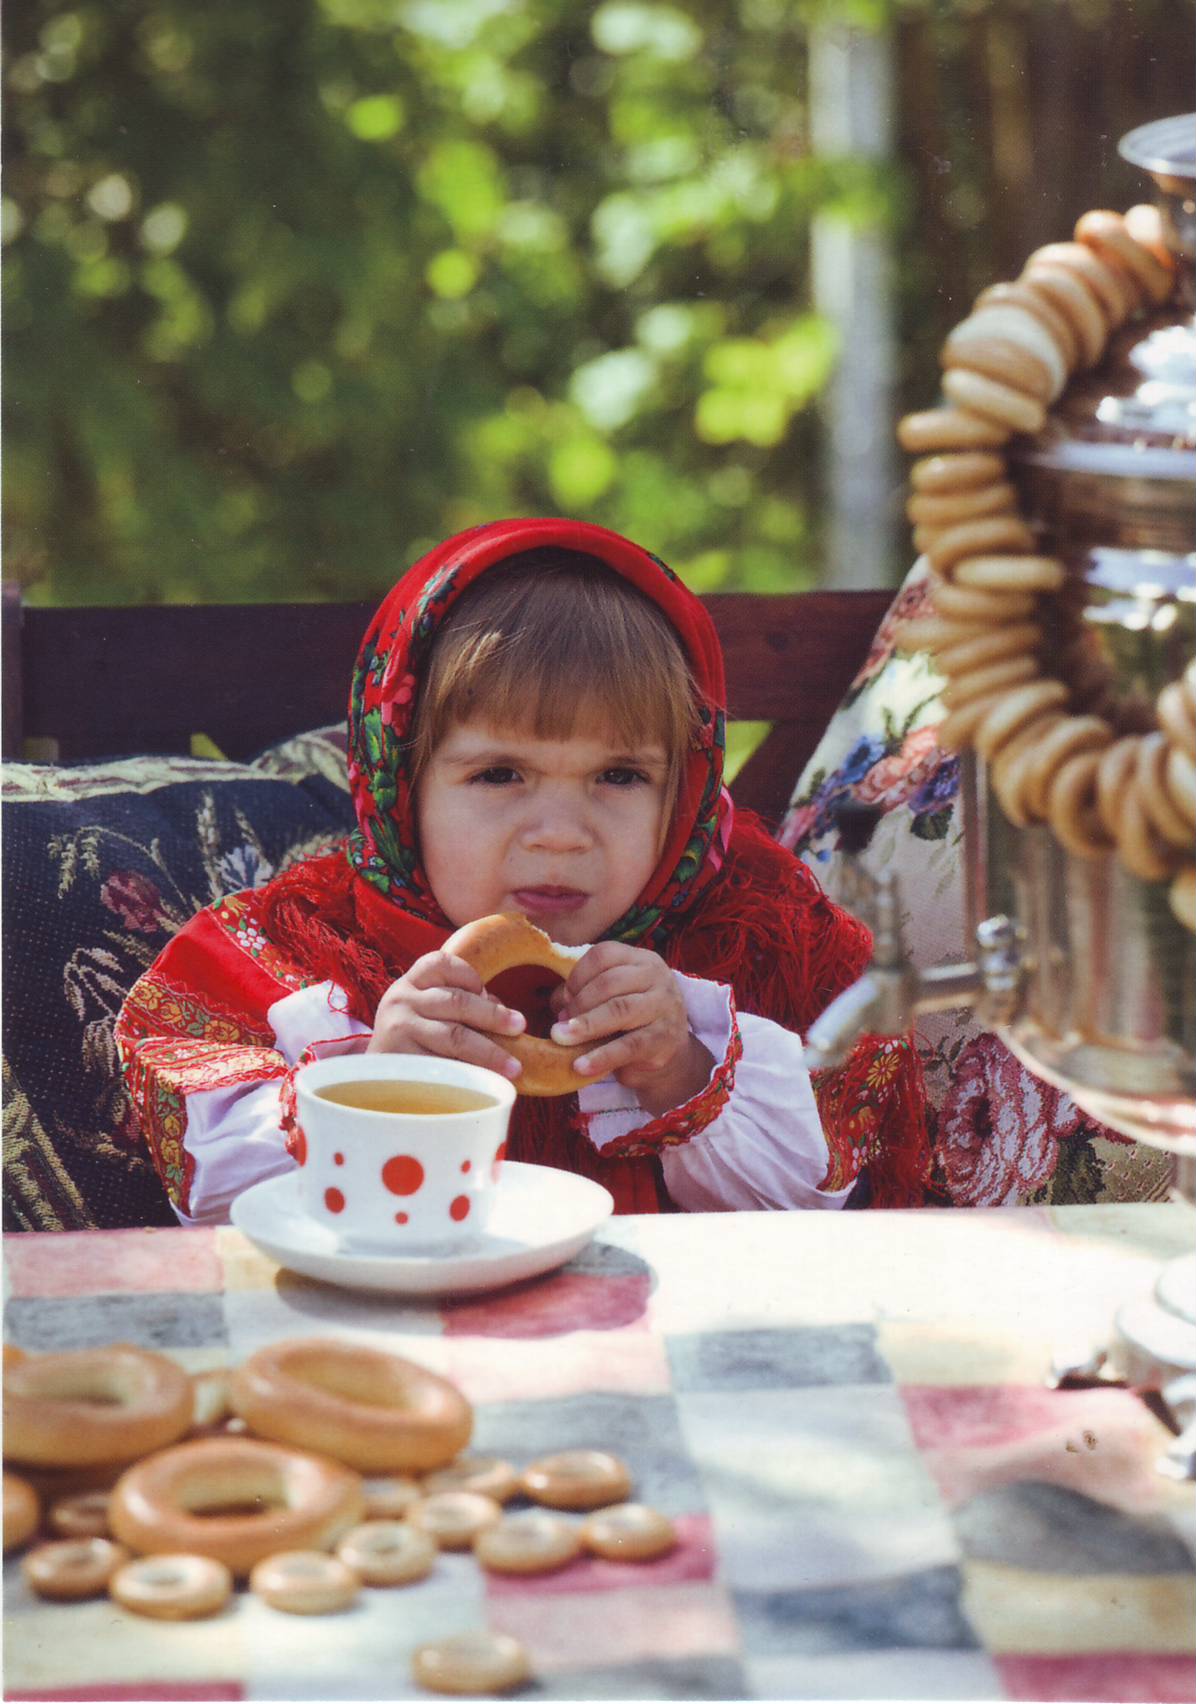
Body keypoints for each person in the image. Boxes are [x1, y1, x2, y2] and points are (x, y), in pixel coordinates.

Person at [116, 518, 928, 1224]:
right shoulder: (290, 962)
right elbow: (223, 1201)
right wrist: (377, 1082)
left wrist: (681, 1073)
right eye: (501, 775)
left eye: (619, 777)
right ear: (400, 784)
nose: (561, 837)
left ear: (682, 791)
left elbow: (820, 1209)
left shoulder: (759, 946)